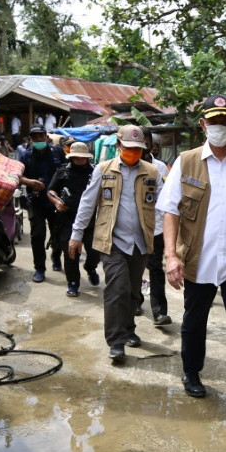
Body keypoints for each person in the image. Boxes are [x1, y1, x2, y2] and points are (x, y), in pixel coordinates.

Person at [157, 94, 226, 445]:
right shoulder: (186, 161)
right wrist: (171, 257)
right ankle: (191, 371)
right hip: (198, 262)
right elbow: (171, 211)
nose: (219, 127)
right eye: (213, 121)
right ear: (203, 125)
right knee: (194, 323)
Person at [69, 125, 159, 364]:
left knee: (132, 291)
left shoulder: (152, 172)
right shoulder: (103, 169)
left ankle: (129, 329)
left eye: (138, 149)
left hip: (140, 242)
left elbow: (161, 206)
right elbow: (88, 203)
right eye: (129, 148)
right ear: (119, 146)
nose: (133, 153)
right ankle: (116, 342)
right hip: (112, 241)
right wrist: (76, 235)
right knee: (117, 289)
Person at [46, 142, 101, 297]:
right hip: (68, 219)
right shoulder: (62, 172)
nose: (80, 160)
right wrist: (57, 202)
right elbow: (50, 190)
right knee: (71, 253)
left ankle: (90, 268)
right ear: (71, 157)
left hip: (91, 220)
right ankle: (73, 283)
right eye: (76, 158)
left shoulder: (96, 172)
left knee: (95, 252)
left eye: (83, 158)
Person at [21, 123, 63, 281]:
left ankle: (56, 257)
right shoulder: (26, 156)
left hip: (56, 201)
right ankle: (39, 268)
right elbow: (18, 176)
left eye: (41, 136)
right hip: (36, 201)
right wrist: (30, 182)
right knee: (37, 235)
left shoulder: (57, 152)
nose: (38, 139)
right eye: (35, 137)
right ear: (31, 139)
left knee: (57, 232)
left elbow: (67, 170)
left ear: (46, 136)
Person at [140, 128, 172, 326]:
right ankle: (135, 300)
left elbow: (167, 199)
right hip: (132, 227)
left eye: (144, 143)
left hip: (156, 227)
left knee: (155, 268)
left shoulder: (161, 168)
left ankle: (159, 312)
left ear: (151, 145)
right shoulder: (124, 164)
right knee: (134, 267)